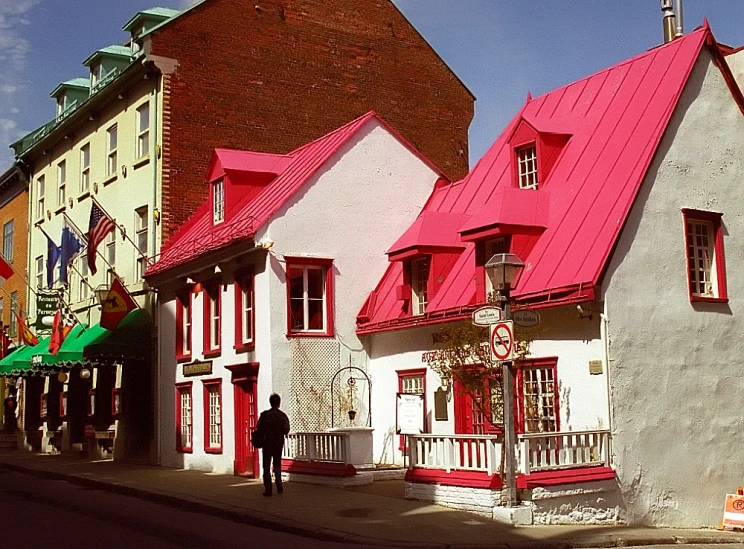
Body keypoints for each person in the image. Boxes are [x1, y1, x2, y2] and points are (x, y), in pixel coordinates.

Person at [256, 393, 290, 496]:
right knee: (277, 464)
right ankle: (279, 485)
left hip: (267, 443)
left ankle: (268, 489)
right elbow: (286, 429)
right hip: (278, 443)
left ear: (270, 402)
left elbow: (259, 427)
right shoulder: (282, 416)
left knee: (266, 466)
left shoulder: (265, 415)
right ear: (279, 403)